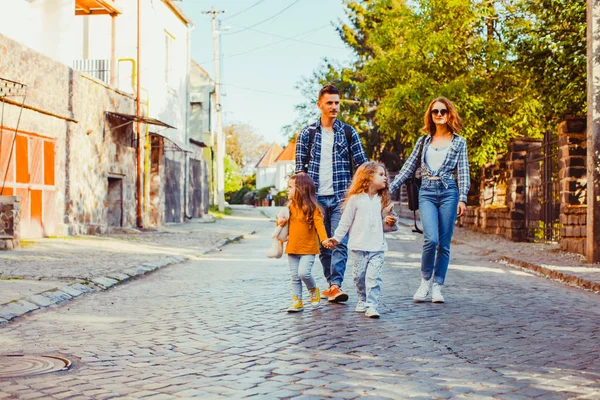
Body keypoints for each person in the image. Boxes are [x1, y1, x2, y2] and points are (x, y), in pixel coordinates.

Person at [389, 97, 470, 303]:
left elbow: (463, 172)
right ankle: (425, 281)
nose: (439, 115)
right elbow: (408, 167)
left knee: (444, 243)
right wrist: (388, 189)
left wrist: (463, 198)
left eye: (443, 111)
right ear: (431, 115)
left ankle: (437, 287)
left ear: (449, 114)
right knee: (430, 239)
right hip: (426, 192)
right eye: (435, 112)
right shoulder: (423, 141)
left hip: (449, 193)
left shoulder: (459, 142)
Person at [295, 85, 368, 303]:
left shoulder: (348, 132)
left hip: (341, 197)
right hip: (316, 199)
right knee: (323, 245)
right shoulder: (307, 134)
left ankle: (336, 284)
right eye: (329, 102)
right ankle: (330, 284)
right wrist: (300, 202)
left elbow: (362, 165)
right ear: (320, 104)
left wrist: (364, 192)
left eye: (337, 102)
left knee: (340, 241)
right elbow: (300, 171)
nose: (334, 107)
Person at [323, 162, 397, 318]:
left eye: (385, 175)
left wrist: (390, 220)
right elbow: (345, 222)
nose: (385, 178)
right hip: (358, 246)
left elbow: (387, 221)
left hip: (377, 247)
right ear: (368, 177)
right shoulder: (355, 200)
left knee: (373, 278)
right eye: (381, 175)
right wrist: (336, 239)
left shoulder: (383, 201)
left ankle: (372, 305)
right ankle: (362, 299)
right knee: (359, 277)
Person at [278, 174, 329, 313]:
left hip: (308, 249)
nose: (287, 190)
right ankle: (297, 301)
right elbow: (281, 224)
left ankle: (313, 290)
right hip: (292, 248)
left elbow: (319, 225)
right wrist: (280, 221)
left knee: (303, 273)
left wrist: (324, 239)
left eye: (290, 187)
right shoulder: (289, 208)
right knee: (295, 277)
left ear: (301, 189)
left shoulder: (313, 208)